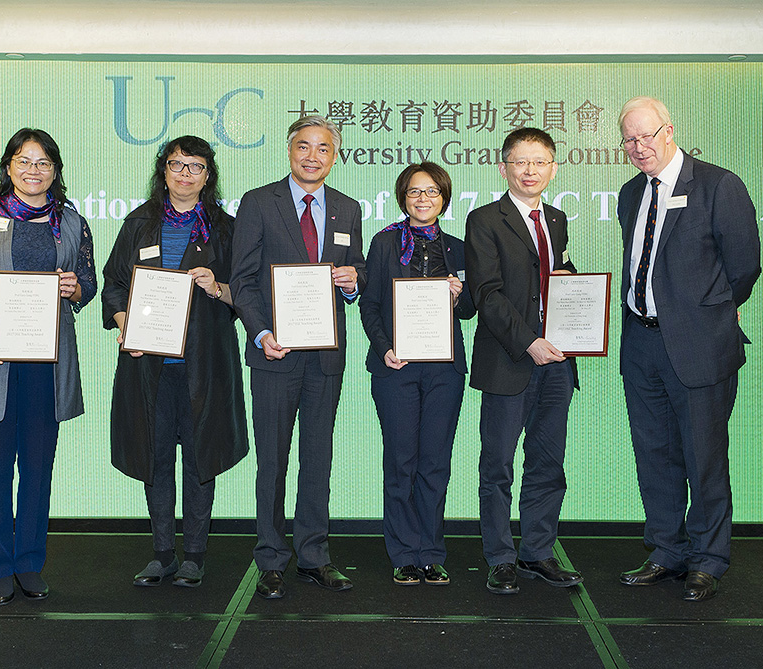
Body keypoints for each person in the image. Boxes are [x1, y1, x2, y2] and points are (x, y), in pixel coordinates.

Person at [614, 96, 761, 602]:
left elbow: (744, 267)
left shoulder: (719, 185)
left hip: (699, 347)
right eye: (629, 139)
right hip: (640, 343)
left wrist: (713, 312)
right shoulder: (631, 193)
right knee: (653, 455)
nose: (638, 147)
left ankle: (708, 558)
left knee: (704, 457)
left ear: (670, 131)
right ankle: (665, 551)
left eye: (646, 135)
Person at [0, 128, 97, 605]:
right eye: (24, 161)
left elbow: (88, 284)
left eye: (44, 162)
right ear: (8, 166)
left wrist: (76, 288)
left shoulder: (71, 222)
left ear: (55, 170)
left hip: (46, 365)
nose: (34, 170)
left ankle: (30, 562)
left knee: (37, 467)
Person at [101, 136, 249, 589]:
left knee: (201, 460)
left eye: (196, 166)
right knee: (156, 457)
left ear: (208, 176)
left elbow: (248, 292)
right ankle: (163, 553)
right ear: (162, 170)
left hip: (204, 367)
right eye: (176, 165)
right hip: (150, 369)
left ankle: (195, 556)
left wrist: (217, 286)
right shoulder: (139, 224)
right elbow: (112, 284)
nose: (185, 174)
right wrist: (125, 321)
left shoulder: (226, 227)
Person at [229, 115, 366, 599]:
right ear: (290, 152)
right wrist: (261, 331)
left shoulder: (348, 209)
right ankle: (270, 557)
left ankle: (314, 555)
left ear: (335, 155)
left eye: (323, 148)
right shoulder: (257, 202)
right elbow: (242, 279)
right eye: (304, 147)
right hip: (275, 353)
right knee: (273, 460)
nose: (313, 156)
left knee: (318, 458)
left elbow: (358, 269)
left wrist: (354, 283)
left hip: (325, 357)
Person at [464, 127, 583, 595]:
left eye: (540, 162)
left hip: (557, 362)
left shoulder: (556, 219)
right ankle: (500, 557)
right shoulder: (484, 220)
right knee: (497, 465)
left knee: (548, 464)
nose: (531, 170)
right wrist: (529, 341)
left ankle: (538, 552)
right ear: (503, 167)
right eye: (521, 162)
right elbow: (487, 295)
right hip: (509, 360)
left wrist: (573, 290)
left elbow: (552, 283)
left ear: (553, 168)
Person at [360, 162, 476, 586]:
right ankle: (403, 554)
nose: (422, 199)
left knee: (435, 462)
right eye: (414, 192)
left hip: (445, 370)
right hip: (396, 368)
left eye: (431, 191)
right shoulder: (384, 242)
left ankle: (431, 552)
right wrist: (384, 347)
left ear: (444, 198)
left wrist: (460, 295)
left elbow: (468, 311)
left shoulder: (461, 248)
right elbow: (369, 305)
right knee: (401, 460)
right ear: (402, 197)